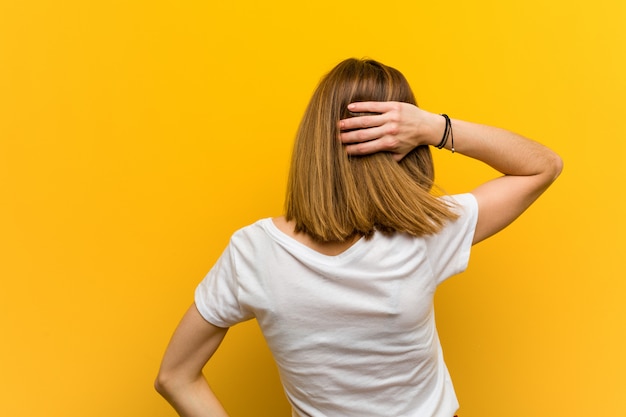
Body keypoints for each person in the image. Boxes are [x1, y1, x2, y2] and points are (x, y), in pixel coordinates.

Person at [154, 58, 563, 417]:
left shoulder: (254, 251)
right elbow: (542, 166)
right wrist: (435, 127)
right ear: (406, 141)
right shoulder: (427, 231)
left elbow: (175, 377)